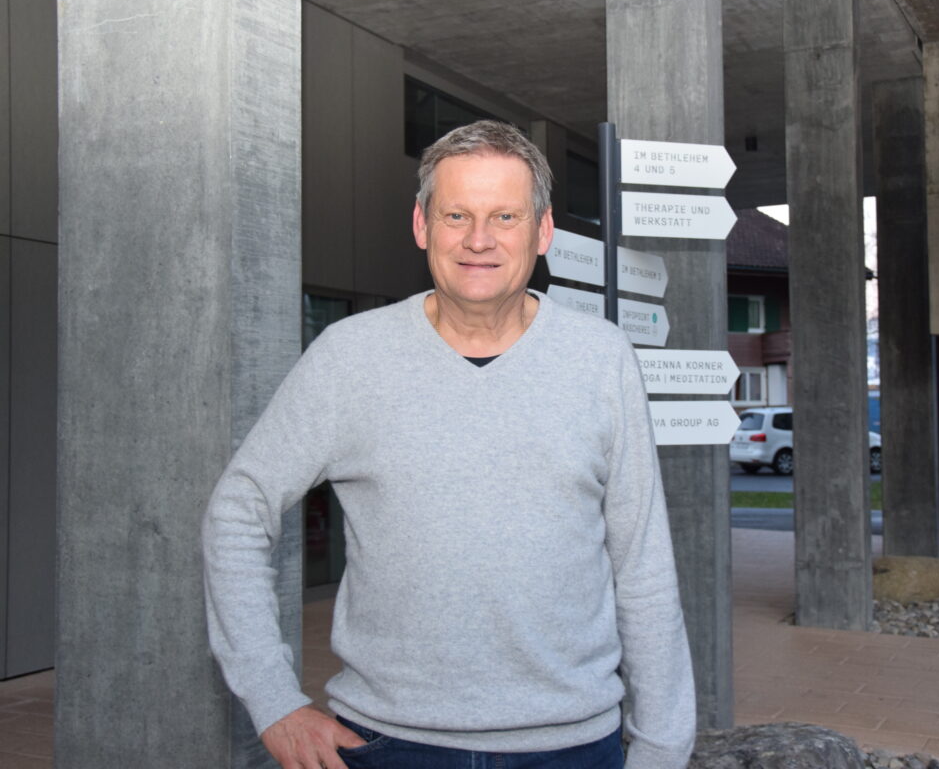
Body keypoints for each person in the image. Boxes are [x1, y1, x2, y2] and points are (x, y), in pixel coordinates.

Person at [202, 120, 696, 769]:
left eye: (505, 217)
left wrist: (661, 748)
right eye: (456, 215)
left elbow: (643, 568)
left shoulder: (600, 359)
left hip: (571, 748)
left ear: (542, 231)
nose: (478, 239)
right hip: (387, 746)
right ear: (421, 225)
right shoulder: (349, 357)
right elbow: (238, 511)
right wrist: (271, 700)